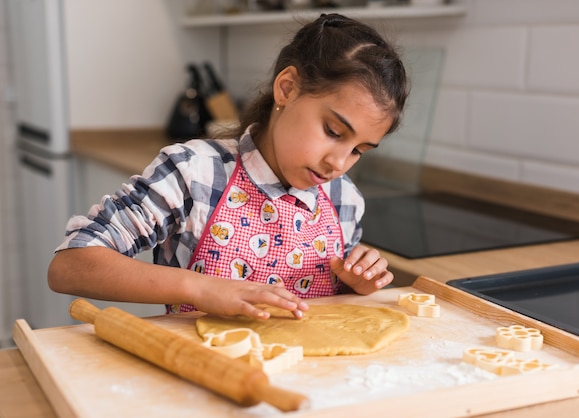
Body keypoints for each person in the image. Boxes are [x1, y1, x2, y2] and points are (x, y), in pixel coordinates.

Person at [48, 13, 409, 320]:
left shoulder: (344, 199)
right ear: (287, 88)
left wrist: (356, 282)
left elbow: (333, 304)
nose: (338, 163)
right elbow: (70, 265)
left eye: (359, 150)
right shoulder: (195, 173)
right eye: (333, 131)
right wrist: (200, 288)